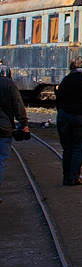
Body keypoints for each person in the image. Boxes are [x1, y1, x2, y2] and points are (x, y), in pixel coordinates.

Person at [56, 56, 82, 186]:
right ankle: (74, 177)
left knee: (67, 148)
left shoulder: (66, 80)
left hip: (64, 116)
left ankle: (66, 177)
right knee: (78, 148)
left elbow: (58, 99)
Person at [0, 64, 30, 201]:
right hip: (4, 128)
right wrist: (23, 123)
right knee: (1, 160)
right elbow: (17, 105)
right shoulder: (9, 85)